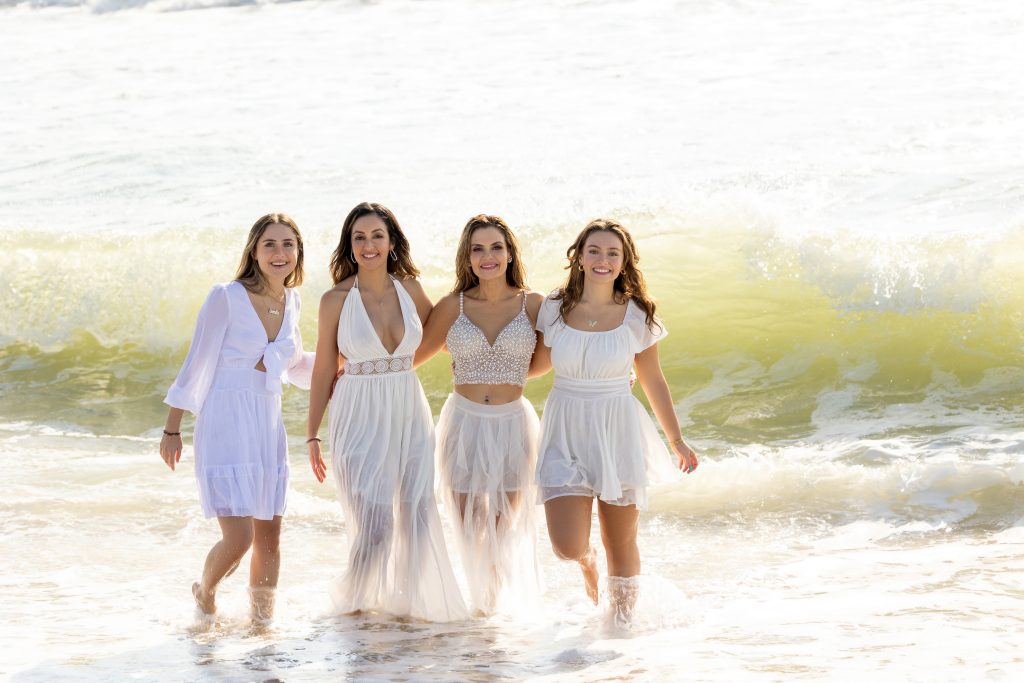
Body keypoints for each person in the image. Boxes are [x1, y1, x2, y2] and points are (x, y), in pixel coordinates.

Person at [530, 218, 698, 626]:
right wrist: (482, 368)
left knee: (619, 541)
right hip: (565, 426)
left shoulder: (637, 314)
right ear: (579, 258)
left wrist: (676, 440)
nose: (603, 260)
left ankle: (620, 628)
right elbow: (534, 366)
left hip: (617, 427)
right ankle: (587, 563)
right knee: (567, 545)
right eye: (594, 251)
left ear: (624, 262)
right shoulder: (554, 307)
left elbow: (652, 379)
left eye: (612, 253)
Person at [306, 202, 467, 621]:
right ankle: (353, 610)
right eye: (359, 237)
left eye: (377, 235)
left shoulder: (410, 289)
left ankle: (407, 615)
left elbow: (449, 337)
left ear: (392, 241)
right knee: (375, 525)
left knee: (416, 513)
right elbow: (325, 366)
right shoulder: (334, 300)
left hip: (407, 405)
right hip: (357, 409)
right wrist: (311, 435)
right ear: (350, 245)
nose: (369, 245)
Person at [159, 213, 314, 621]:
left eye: (288, 245)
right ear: (254, 251)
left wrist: (350, 365)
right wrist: (171, 427)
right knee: (241, 536)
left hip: (266, 422)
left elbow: (294, 365)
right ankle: (205, 592)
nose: (280, 253)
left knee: (270, 537)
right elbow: (197, 362)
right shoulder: (226, 296)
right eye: (270, 245)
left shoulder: (292, 301)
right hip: (226, 419)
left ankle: (263, 626)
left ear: (299, 252)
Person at [416, 214, 545, 615]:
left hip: (513, 424)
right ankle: (482, 609)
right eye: (478, 248)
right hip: (463, 423)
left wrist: (618, 372)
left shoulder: (535, 305)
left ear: (509, 254)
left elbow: (564, 351)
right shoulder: (451, 306)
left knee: (504, 527)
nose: (487, 256)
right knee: (471, 526)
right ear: (467, 257)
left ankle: (489, 607)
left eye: (496, 247)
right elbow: (409, 356)